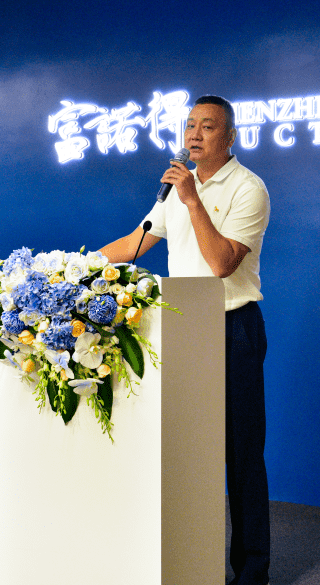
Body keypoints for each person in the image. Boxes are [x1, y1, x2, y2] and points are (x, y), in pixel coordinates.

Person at [99, 95, 271, 585]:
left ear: (230, 137)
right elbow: (135, 242)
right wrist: (72, 264)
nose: (194, 134)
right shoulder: (176, 189)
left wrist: (193, 199)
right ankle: (190, 564)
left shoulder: (248, 188)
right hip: (183, 328)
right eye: (190, 125)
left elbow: (222, 264)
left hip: (232, 329)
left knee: (241, 455)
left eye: (207, 126)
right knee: (185, 450)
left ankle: (252, 572)